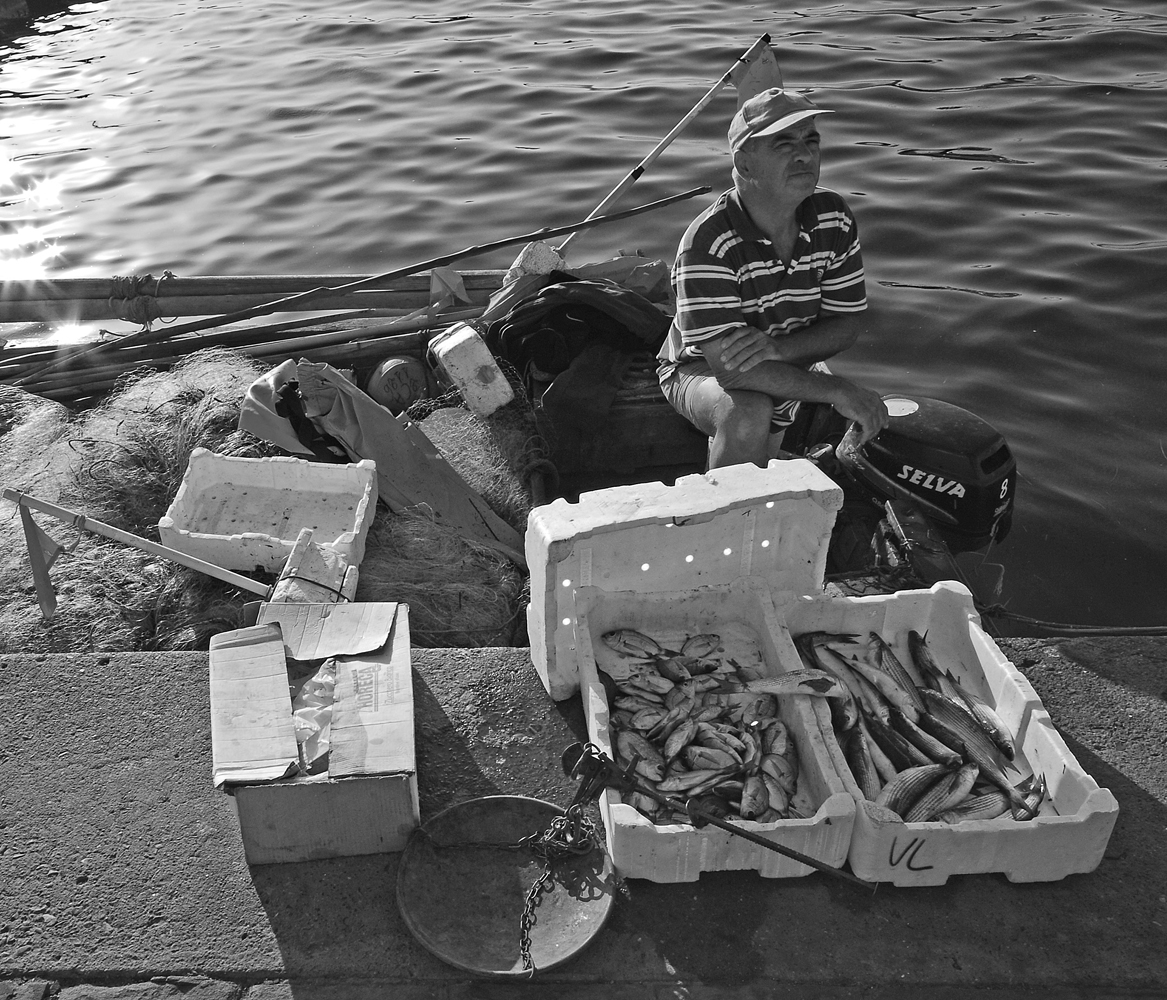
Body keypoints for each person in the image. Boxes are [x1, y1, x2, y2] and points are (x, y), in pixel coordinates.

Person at [657, 87, 889, 469]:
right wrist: (837, 389)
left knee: (770, 415)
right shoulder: (707, 243)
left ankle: (767, 460)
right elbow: (730, 372)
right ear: (744, 164)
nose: (804, 154)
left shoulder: (834, 216)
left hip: (787, 355)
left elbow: (847, 325)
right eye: (784, 144)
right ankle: (728, 521)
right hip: (695, 369)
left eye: (811, 140)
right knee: (748, 412)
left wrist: (780, 350)